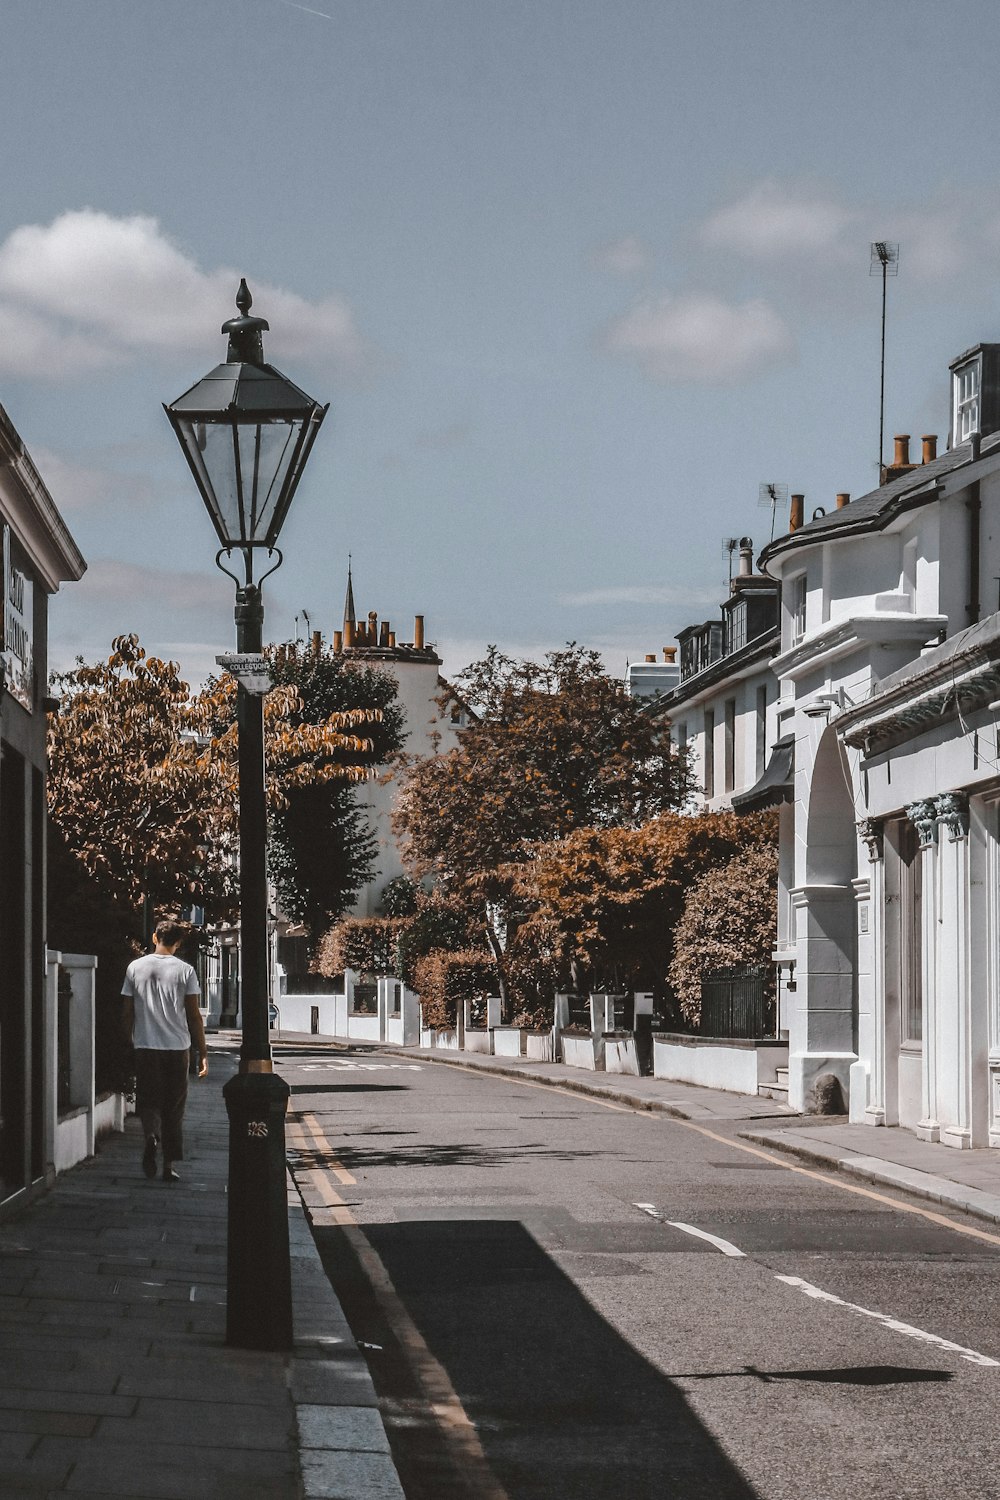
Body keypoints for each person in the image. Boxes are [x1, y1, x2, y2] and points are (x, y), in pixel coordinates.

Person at [122, 919, 208, 1183]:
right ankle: (168, 1167)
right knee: (174, 1108)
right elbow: (194, 1016)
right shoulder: (186, 971)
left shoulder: (135, 967)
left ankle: (150, 1136)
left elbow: (127, 1012)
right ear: (178, 943)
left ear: (154, 937)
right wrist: (202, 1052)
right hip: (177, 1048)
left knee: (149, 1102)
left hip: (146, 1046)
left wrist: (128, 1042)